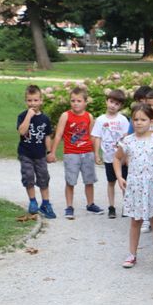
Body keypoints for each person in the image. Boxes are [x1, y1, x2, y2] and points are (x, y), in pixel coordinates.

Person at [114, 103, 153, 269]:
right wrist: (119, 176)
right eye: (136, 119)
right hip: (135, 185)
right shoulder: (127, 141)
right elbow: (117, 159)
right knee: (135, 220)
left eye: (143, 119)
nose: (139, 123)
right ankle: (132, 254)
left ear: (150, 121)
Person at [49, 87, 101, 219]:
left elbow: (92, 136)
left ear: (85, 102)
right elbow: (59, 134)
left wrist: (96, 154)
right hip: (71, 153)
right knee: (70, 181)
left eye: (79, 100)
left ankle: (90, 204)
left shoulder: (89, 116)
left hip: (87, 152)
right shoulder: (66, 115)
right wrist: (52, 152)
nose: (75, 103)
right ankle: (69, 206)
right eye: (73, 100)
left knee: (89, 180)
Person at [16, 85, 56, 219]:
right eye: (29, 100)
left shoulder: (45, 119)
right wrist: (28, 116)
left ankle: (45, 203)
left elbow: (47, 136)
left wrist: (50, 152)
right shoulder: (22, 116)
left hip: (40, 155)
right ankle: (32, 201)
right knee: (28, 177)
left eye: (35, 100)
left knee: (43, 178)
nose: (32, 103)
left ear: (41, 100)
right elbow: (22, 132)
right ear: (26, 101)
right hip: (25, 154)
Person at [91, 89, 129, 219]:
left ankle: (126, 206)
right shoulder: (100, 120)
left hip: (121, 158)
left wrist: (126, 156)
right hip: (108, 157)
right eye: (111, 102)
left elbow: (126, 137)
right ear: (107, 101)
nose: (113, 105)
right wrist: (96, 154)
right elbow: (97, 137)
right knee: (111, 182)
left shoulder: (123, 120)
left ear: (121, 106)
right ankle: (111, 206)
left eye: (117, 104)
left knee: (124, 181)